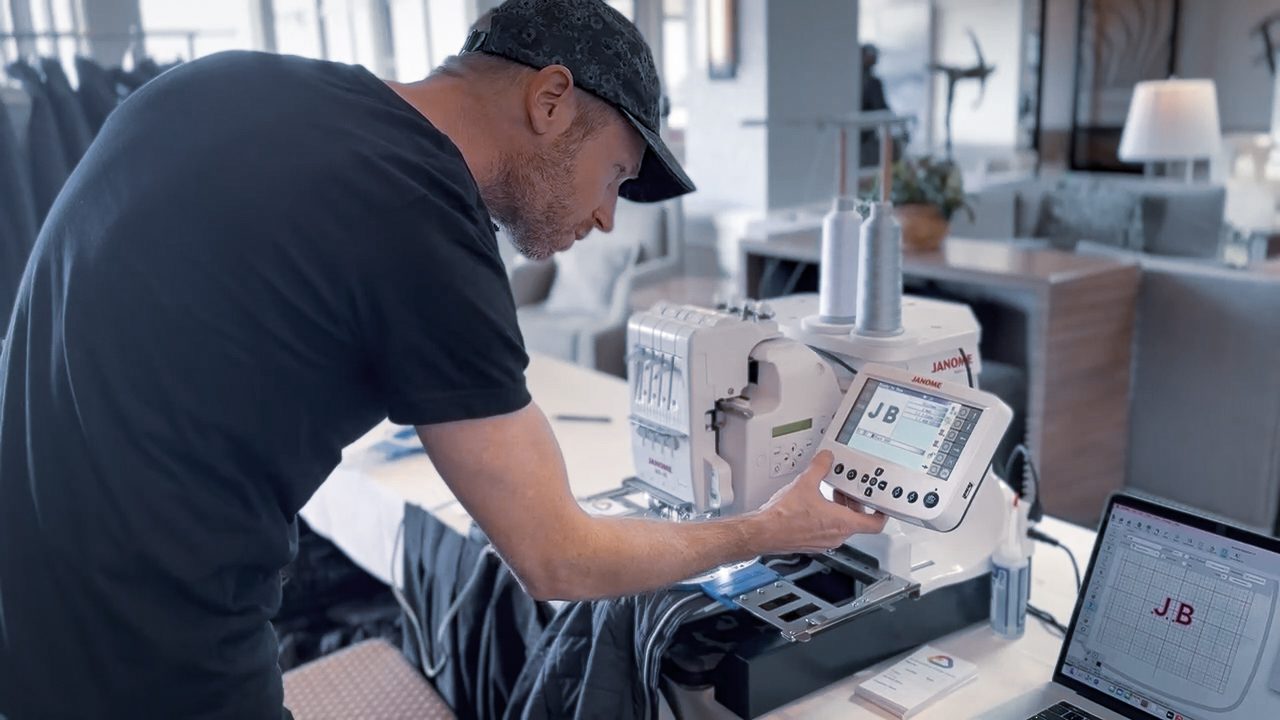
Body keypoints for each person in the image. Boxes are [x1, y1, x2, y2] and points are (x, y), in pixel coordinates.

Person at [0, 0, 885, 717]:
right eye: (614, 178)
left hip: (27, 612)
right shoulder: (419, 217)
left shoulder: (222, 82)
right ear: (550, 101)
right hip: (151, 658)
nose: (609, 220)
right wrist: (770, 529)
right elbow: (557, 558)